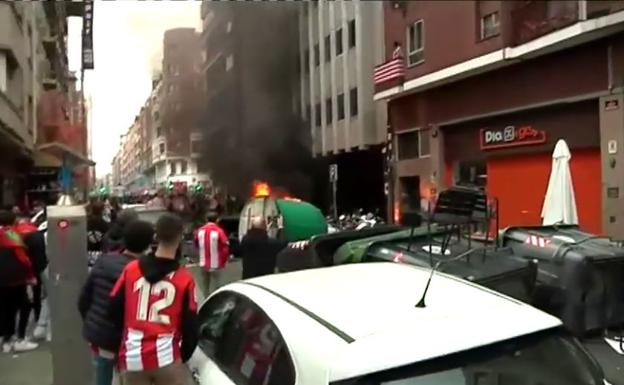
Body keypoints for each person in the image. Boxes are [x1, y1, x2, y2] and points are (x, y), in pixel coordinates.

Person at [109, 213, 197, 385]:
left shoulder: (131, 270)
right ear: (180, 237)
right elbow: (191, 326)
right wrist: (182, 355)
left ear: (156, 236)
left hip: (132, 355)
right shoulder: (184, 279)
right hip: (165, 357)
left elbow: (112, 308)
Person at [78, 220, 155, 385]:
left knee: (103, 375)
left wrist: (93, 324)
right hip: (131, 342)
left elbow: (84, 299)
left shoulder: (104, 261)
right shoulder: (147, 272)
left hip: (101, 337)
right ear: (148, 244)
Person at [0, 210, 38, 353]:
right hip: (15, 278)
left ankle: (6, 340)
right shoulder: (11, 234)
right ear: (13, 220)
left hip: (1, 280)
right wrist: (30, 275)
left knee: (5, 309)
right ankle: (20, 339)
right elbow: (23, 259)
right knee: (25, 306)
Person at [14, 218, 48, 341]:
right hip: (38, 266)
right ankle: (39, 317)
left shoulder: (14, 233)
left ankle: (12, 334)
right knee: (39, 292)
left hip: (21, 269)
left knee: (23, 299)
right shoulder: (36, 232)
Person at [193, 213, 229, 294]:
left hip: (203, 263)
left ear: (206, 219)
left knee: (205, 285)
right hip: (216, 263)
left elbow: (195, 244)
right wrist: (224, 261)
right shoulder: (219, 231)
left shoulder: (200, 230)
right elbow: (225, 247)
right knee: (216, 285)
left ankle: (206, 300)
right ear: (217, 220)